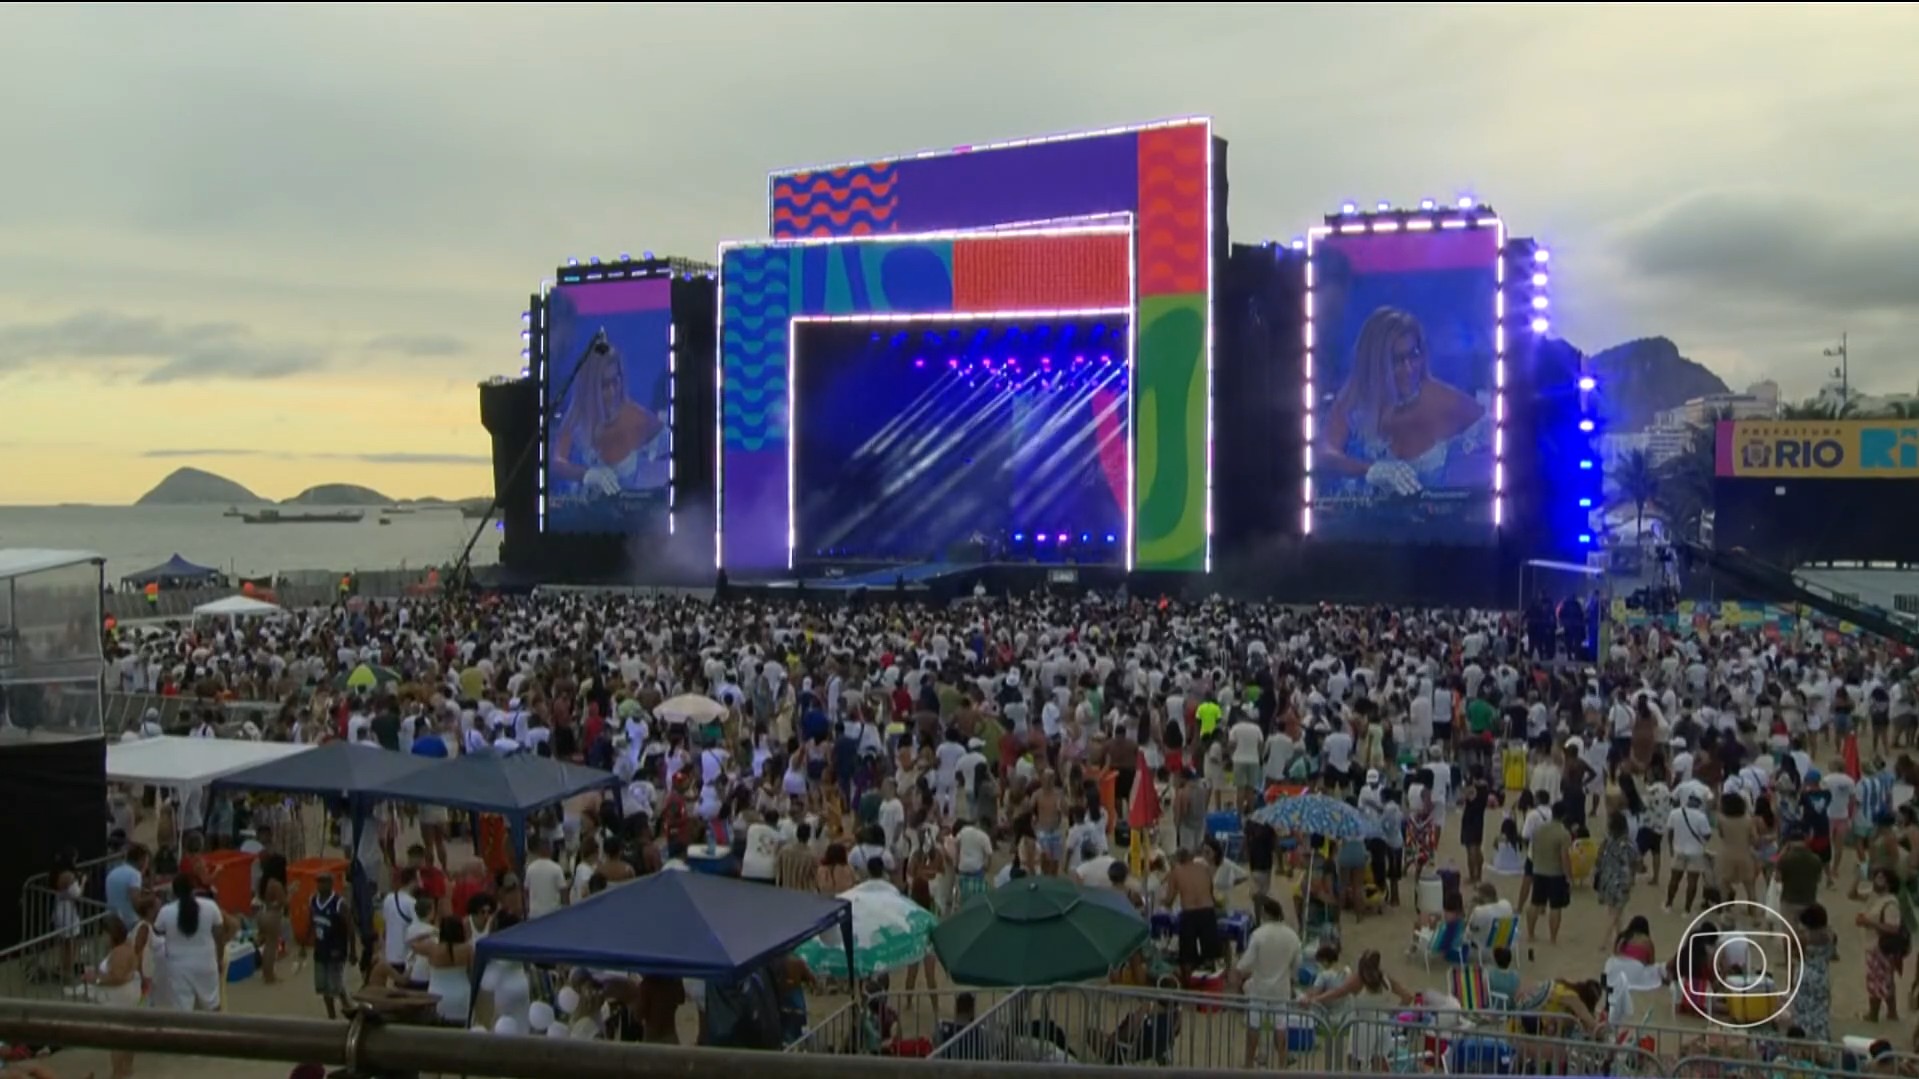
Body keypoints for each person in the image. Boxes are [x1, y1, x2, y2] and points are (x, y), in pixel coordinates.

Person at [1316, 306, 1487, 499]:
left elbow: (1496, 434)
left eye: (1413, 355)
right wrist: (1370, 470)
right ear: (1375, 363)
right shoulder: (1356, 399)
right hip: (1365, 525)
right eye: (1397, 360)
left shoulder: (1442, 399)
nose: (1408, 369)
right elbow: (1323, 454)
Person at [551, 330, 665, 497]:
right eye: (604, 385)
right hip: (583, 518)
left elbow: (673, 447)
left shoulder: (637, 417)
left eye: (615, 381)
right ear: (591, 385)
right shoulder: (576, 418)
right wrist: (586, 474)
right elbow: (556, 463)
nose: (612, 392)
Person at [1233, 896, 1301, 1069]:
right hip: (1281, 988)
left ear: (1265, 914)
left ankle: (1249, 1062)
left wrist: (1237, 971)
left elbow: (1247, 962)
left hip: (1260, 987)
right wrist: (1292, 980)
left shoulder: (1259, 934)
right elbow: (1297, 964)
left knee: (1254, 1025)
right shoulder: (1292, 936)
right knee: (1280, 1028)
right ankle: (1282, 1064)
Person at [84, 913, 149, 1079]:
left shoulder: (119, 952)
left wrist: (95, 978)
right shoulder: (126, 948)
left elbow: (118, 977)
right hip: (127, 996)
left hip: (120, 999)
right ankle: (126, 1071)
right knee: (127, 1037)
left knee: (117, 1039)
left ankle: (118, 1073)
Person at [152, 874, 227, 1012]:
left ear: (174, 892)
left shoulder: (166, 911)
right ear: (193, 889)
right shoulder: (210, 906)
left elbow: (157, 931)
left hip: (178, 967)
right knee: (213, 1005)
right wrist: (220, 959)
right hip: (206, 962)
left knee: (183, 1011)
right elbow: (219, 936)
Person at [306, 872, 354, 1020]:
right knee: (324, 987)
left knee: (334, 985)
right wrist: (304, 943)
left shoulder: (340, 903)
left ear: (331, 884)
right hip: (320, 949)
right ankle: (332, 1016)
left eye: (324, 882)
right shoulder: (313, 900)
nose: (321, 885)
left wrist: (353, 951)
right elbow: (311, 922)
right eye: (319, 882)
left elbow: (350, 927)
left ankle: (347, 1009)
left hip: (336, 950)